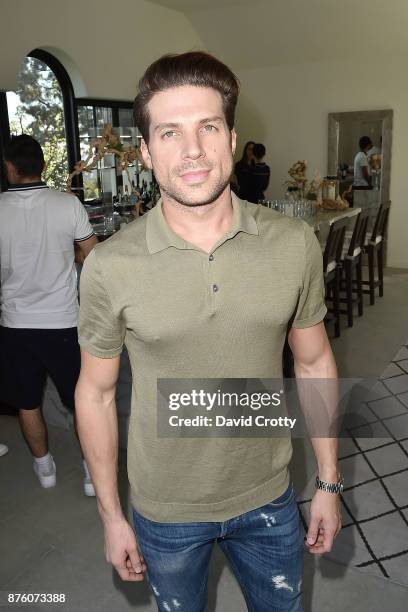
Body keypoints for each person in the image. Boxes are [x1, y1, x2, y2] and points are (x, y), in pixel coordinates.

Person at [76, 51, 342, 611]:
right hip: (165, 511)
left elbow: (315, 364)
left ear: (232, 137)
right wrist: (110, 516)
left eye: (208, 127)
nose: (192, 150)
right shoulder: (110, 264)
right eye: (169, 132)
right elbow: (95, 392)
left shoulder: (293, 245)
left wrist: (327, 479)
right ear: (146, 151)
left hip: (269, 498)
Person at [0, 135, 97, 493]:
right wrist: (66, 258)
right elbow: (91, 254)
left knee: (27, 403)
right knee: (80, 402)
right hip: (63, 323)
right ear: (42, 165)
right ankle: (91, 472)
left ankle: (45, 470)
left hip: (15, 324)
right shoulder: (67, 205)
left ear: (9, 167)